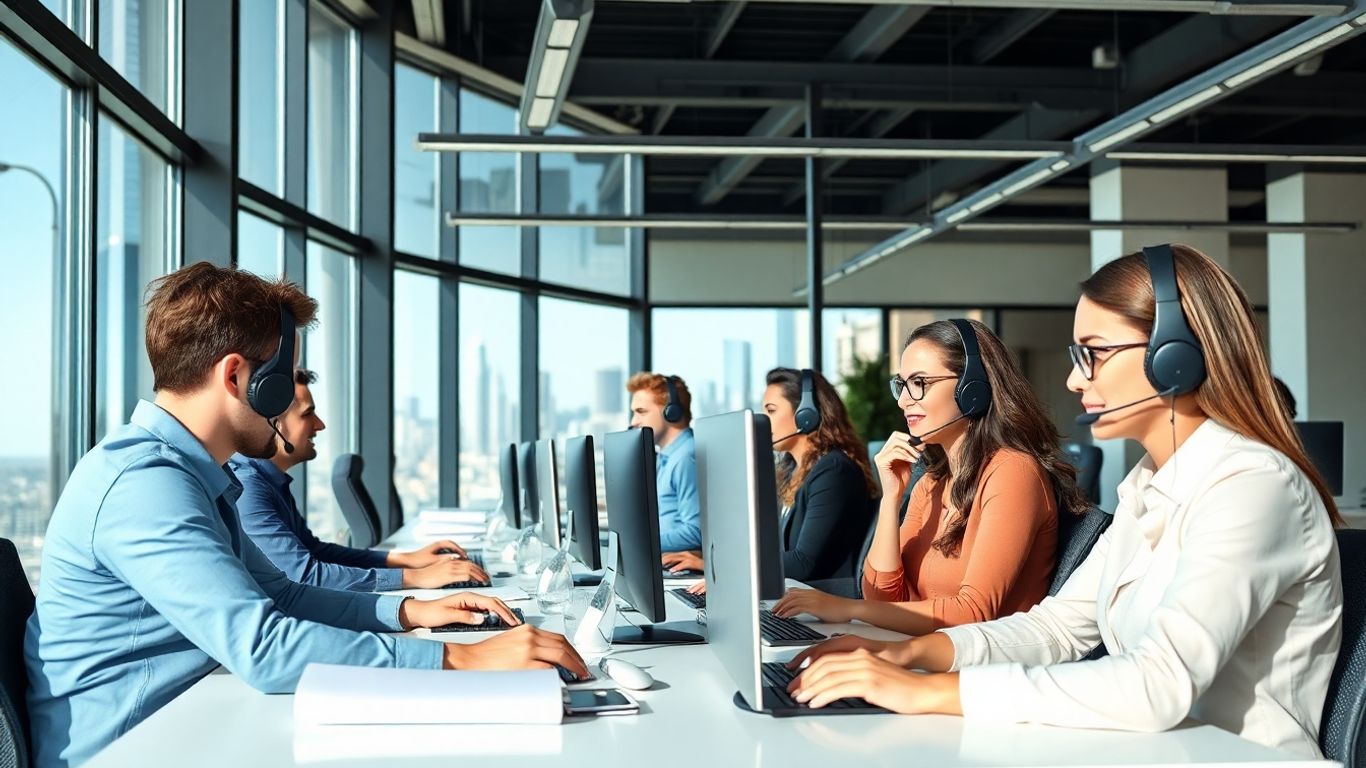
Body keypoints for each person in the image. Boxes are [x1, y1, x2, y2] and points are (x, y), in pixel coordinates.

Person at [787, 245, 1342, 759]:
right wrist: (907, 656)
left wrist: (927, 692)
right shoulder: (1150, 487)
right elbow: (1055, 629)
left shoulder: (1253, 485)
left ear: (1177, 358)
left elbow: (1156, 684)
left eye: (1094, 354)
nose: (1076, 380)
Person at [25, 263, 587, 768]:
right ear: (238, 377)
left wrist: (414, 611)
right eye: (282, 375)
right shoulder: (144, 486)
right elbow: (264, 649)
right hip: (131, 746)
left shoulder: (190, 475)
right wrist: (462, 663)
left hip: (190, 724)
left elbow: (283, 597)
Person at [774, 320, 1086, 634]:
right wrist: (891, 499)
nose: (903, 400)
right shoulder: (931, 482)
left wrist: (847, 608)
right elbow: (882, 597)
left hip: (976, 671)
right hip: (921, 653)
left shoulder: (1013, 472)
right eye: (902, 384)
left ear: (972, 389)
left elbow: (973, 613)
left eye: (919, 383)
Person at [229, 369, 487, 591]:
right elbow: (304, 576)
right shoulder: (248, 489)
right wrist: (415, 577)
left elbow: (316, 552)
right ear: (275, 423)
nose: (320, 425)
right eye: (308, 414)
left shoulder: (270, 481)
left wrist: (406, 559)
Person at [666, 369, 879, 590]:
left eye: (771, 410)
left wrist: (728, 571)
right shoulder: (791, 470)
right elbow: (769, 548)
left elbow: (803, 562)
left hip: (822, 603)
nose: (763, 420)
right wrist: (710, 560)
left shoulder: (834, 472)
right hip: (790, 596)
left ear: (806, 415)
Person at [627, 372, 700, 555]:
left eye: (641, 412)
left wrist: (637, 543)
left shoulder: (686, 458)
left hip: (680, 567)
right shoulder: (666, 457)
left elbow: (696, 532)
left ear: (671, 412)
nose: (633, 422)